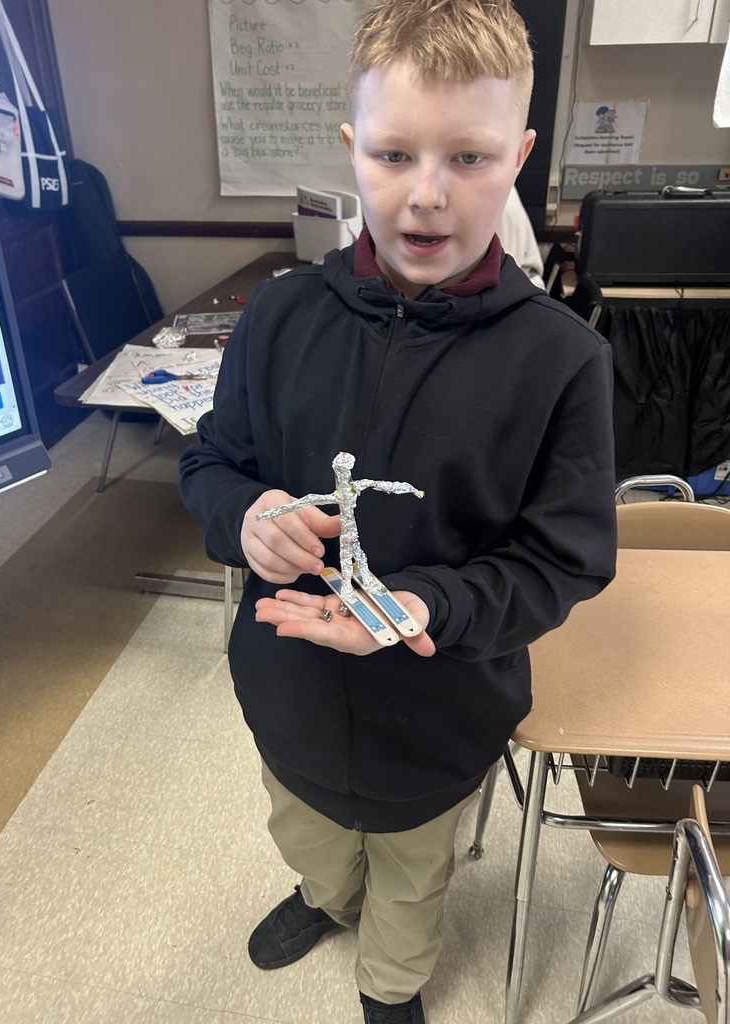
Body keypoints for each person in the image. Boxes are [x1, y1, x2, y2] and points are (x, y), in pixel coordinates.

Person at [179, 2, 617, 1021]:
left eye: (469, 156)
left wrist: (432, 605)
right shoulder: (278, 317)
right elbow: (210, 463)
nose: (426, 195)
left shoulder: (563, 361)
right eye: (392, 154)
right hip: (287, 695)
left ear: (519, 157)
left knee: (413, 882)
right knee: (307, 835)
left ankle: (390, 984)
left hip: (439, 718)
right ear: (352, 150)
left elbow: (564, 559)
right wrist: (245, 516)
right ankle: (324, 898)